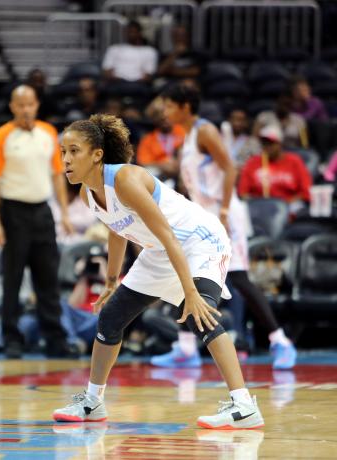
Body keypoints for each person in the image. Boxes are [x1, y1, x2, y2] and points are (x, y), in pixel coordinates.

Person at [52, 113, 264, 430]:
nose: (66, 160)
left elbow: (168, 235)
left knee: (199, 314)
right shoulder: (88, 192)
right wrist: (112, 281)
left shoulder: (125, 179)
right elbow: (116, 228)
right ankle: (93, 402)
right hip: (161, 251)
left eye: (73, 151)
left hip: (198, 240)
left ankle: (244, 406)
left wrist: (189, 293)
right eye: (63, 153)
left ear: (97, 155)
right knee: (110, 317)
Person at [158, 83, 296, 370]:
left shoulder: (205, 130)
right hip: (201, 217)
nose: (164, 111)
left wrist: (222, 208)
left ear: (184, 106)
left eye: (169, 105)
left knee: (240, 278)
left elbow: (231, 167)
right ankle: (185, 347)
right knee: (182, 273)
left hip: (224, 215)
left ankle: (280, 340)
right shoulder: (188, 136)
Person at [0, 84, 77, 359]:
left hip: (42, 211)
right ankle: (12, 339)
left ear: (36, 105)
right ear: (13, 107)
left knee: (47, 280)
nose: (26, 109)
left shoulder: (49, 133)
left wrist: (63, 213)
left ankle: (55, 340)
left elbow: (57, 175)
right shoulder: (1, 137)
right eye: (20, 105)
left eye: (30, 104)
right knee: (12, 279)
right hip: (13, 212)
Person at [239, 124, 312, 206]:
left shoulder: (294, 161)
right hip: (259, 208)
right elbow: (243, 193)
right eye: (264, 143)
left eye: (270, 143)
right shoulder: (253, 162)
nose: (266, 147)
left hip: (289, 206)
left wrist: (284, 206)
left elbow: (305, 192)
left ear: (280, 144)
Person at [136, 98, 184, 182]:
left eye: (167, 118)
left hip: (181, 171)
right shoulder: (147, 139)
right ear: (155, 121)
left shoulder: (182, 131)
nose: (165, 121)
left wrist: (178, 165)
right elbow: (143, 162)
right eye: (162, 120)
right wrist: (161, 165)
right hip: (160, 175)